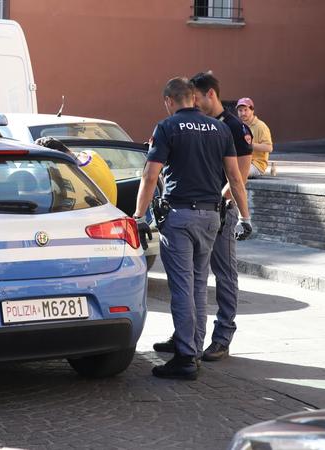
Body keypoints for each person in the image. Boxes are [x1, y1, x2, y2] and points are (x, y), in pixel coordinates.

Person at [133, 77, 250, 380]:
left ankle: (185, 356)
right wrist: (246, 217)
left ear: (169, 101)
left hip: (180, 216)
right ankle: (194, 349)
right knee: (199, 284)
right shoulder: (221, 128)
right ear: (194, 100)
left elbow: (149, 176)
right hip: (212, 216)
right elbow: (235, 178)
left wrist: (139, 215)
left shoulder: (167, 127)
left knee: (183, 286)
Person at [34, 137, 118, 203]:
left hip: (98, 217)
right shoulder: (92, 154)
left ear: (55, 156)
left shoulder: (73, 174)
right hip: (111, 208)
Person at [236, 97, 274, 180]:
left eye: (246, 110)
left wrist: (249, 145)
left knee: (236, 173)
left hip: (256, 165)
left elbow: (269, 148)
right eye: (240, 110)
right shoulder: (237, 125)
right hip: (240, 161)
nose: (243, 113)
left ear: (252, 110)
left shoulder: (261, 126)